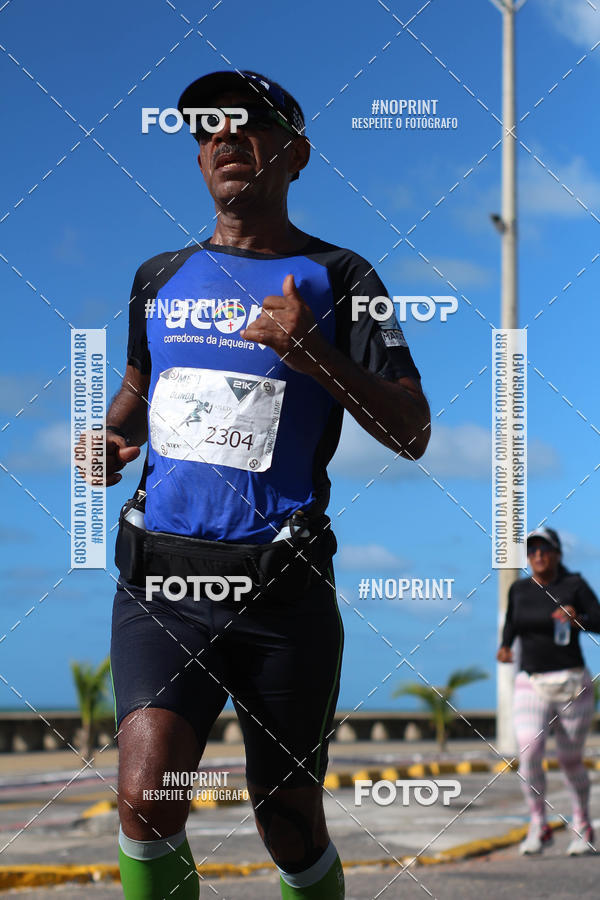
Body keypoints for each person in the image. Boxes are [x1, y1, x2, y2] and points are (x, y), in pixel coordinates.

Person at [96, 70, 430, 899]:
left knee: (288, 823)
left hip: (283, 591)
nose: (225, 138)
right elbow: (139, 385)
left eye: (249, 122)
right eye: (209, 128)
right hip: (163, 583)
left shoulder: (343, 277)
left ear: (297, 153)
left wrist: (315, 355)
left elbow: (414, 431)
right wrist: (112, 435)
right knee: (145, 799)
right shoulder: (157, 275)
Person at [497, 527, 600, 857]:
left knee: (569, 760)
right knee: (529, 751)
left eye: (544, 549)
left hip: (571, 683)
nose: (538, 555)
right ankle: (538, 822)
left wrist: (577, 617)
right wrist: (505, 646)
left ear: (557, 554)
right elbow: (512, 623)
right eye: (532, 551)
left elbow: (599, 619)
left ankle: (582, 824)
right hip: (531, 681)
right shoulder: (519, 589)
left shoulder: (574, 585)